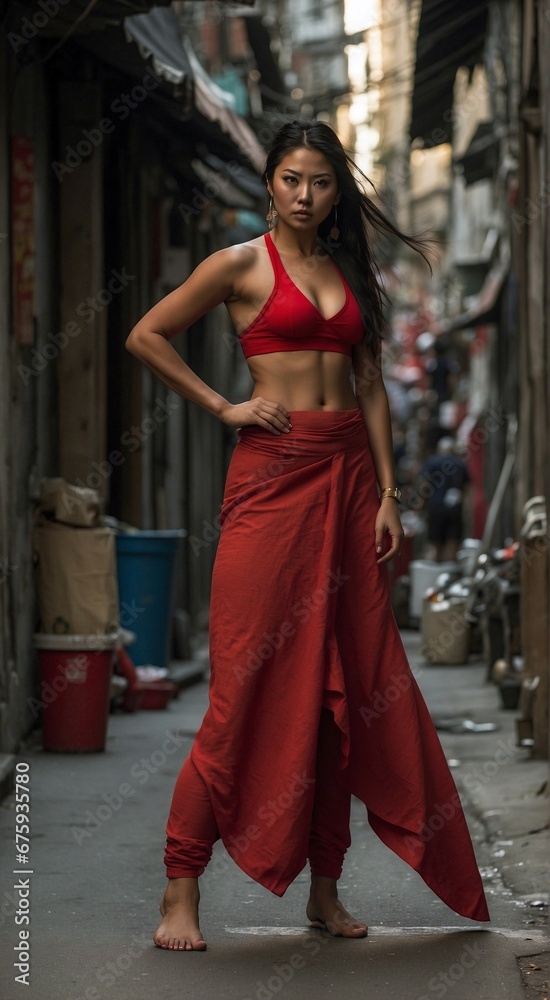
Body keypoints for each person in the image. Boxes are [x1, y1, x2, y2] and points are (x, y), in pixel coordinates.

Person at [126, 119, 489, 951]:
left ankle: (324, 892)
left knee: (347, 696)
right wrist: (223, 407)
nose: (304, 194)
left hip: (351, 481)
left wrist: (390, 495)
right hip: (270, 479)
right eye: (291, 178)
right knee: (245, 689)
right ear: (270, 184)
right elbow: (145, 334)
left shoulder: (348, 270)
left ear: (336, 192)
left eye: (320, 182)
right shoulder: (240, 263)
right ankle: (179, 892)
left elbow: (367, 384)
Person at [421, 436, 471, 562]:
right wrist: (465, 509)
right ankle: (452, 573)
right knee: (453, 541)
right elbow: (466, 489)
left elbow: (425, 485)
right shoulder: (460, 463)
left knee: (436, 542)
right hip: (454, 509)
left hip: (436, 507)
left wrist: (422, 504)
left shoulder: (432, 462)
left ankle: (437, 571)